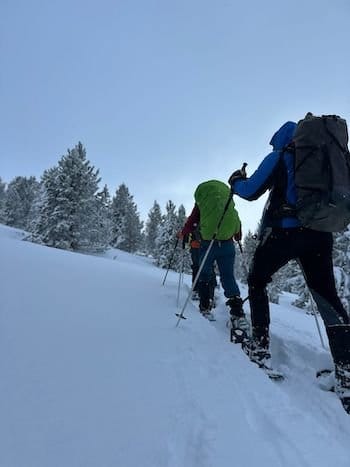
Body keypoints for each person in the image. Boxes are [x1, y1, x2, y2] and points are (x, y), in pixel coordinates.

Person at [229, 120, 350, 413]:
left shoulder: (280, 155)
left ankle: (260, 344)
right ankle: (347, 373)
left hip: (283, 232)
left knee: (257, 281)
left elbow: (250, 191)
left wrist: (235, 181)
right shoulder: (327, 158)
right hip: (320, 235)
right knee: (328, 298)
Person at [180, 179, 248, 338]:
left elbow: (191, 222)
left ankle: (205, 307)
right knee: (228, 277)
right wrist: (237, 236)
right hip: (227, 245)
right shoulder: (227, 201)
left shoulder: (202, 203)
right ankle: (237, 314)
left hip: (208, 243)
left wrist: (184, 233)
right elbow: (237, 224)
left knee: (204, 273)